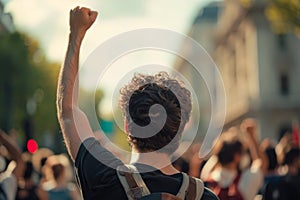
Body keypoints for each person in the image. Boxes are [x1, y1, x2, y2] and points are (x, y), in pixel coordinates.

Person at [56, 6, 218, 200]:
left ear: (127, 126)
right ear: (180, 131)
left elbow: (68, 111)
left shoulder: (104, 178)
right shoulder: (205, 197)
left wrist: (76, 35)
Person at [204, 119, 266, 200]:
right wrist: (251, 136)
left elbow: (209, 165)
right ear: (237, 157)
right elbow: (262, 162)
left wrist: (221, 147)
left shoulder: (208, 180)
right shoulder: (246, 180)